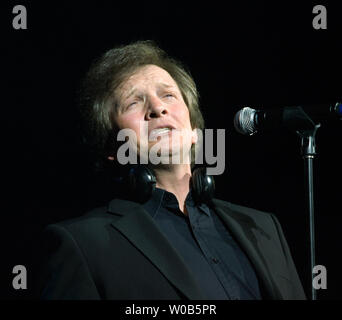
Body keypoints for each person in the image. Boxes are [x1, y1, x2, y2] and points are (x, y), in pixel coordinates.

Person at [33, 40, 306, 300]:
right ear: (112, 147)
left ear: (195, 131)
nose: (158, 108)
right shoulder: (82, 244)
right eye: (133, 103)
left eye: (168, 95)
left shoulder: (263, 227)